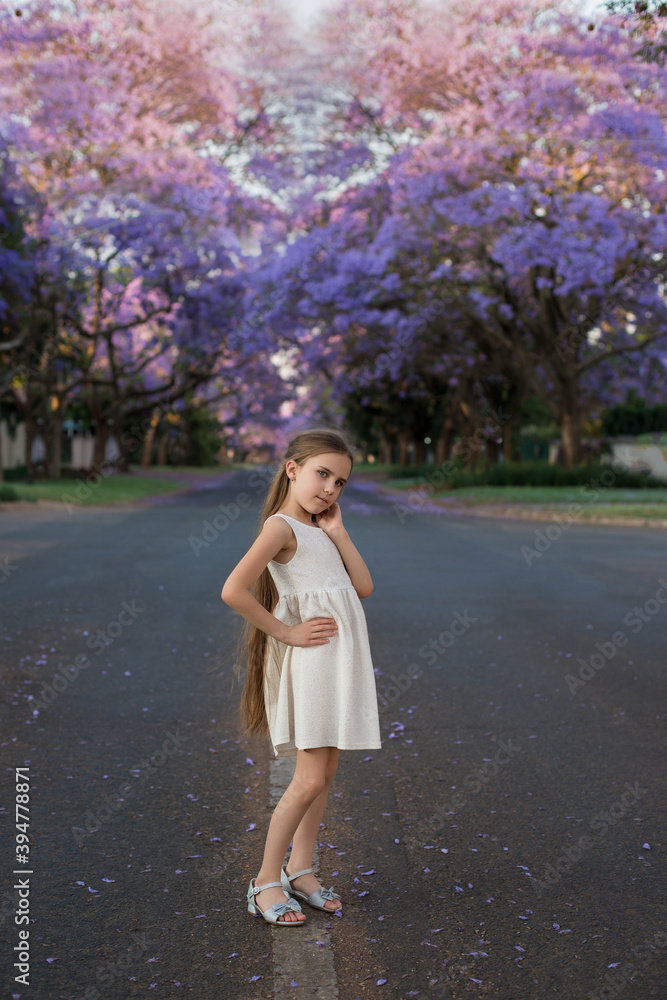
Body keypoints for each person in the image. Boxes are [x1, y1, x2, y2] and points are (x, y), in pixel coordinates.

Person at [221, 427, 382, 926]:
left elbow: (364, 586)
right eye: (322, 474)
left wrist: (339, 532)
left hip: (337, 661)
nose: (330, 488)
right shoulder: (281, 528)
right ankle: (265, 881)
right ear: (292, 469)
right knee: (310, 775)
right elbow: (234, 589)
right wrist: (286, 633)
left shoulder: (320, 529)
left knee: (326, 774)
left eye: (340, 482)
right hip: (313, 660)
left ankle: (302, 868)